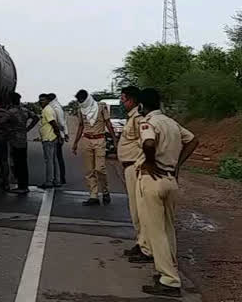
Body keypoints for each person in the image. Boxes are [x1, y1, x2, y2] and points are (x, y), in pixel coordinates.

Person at [134, 88, 199, 298]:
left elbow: (149, 142)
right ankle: (168, 273)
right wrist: (177, 165)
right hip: (170, 179)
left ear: (142, 106)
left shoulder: (148, 123)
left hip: (153, 180)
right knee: (168, 230)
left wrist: (151, 163)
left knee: (156, 232)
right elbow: (193, 140)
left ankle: (170, 281)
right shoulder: (171, 123)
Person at [117, 86, 151, 262]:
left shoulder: (138, 119)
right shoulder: (132, 118)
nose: (122, 102)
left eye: (123, 98)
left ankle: (145, 247)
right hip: (130, 167)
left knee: (139, 210)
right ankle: (142, 243)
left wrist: (140, 162)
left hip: (135, 167)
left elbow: (146, 142)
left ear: (132, 100)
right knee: (135, 210)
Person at [72, 89, 114, 205]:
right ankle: (93, 195)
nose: (80, 102)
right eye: (79, 100)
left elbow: (108, 123)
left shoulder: (101, 107)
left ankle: (105, 191)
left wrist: (114, 139)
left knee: (100, 168)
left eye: (82, 99)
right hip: (87, 140)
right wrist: (75, 143)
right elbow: (81, 126)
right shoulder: (81, 109)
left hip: (99, 139)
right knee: (89, 170)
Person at [8, 92, 39, 193]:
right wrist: (28, 128)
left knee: (17, 163)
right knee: (23, 163)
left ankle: (21, 187)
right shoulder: (25, 110)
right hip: (23, 139)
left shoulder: (11, 112)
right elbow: (36, 118)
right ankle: (24, 185)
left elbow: (2, 121)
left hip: (14, 139)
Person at [38, 94, 62, 189]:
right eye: (40, 100)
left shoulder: (47, 110)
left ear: (48, 101)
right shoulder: (49, 109)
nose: (41, 102)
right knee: (54, 160)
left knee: (49, 161)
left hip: (49, 139)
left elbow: (53, 124)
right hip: (52, 137)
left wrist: (59, 135)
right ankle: (57, 180)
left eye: (43, 100)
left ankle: (49, 181)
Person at [48, 93, 68, 184]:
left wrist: (62, 134)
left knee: (57, 158)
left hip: (57, 135)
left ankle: (60, 178)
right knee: (58, 157)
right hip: (58, 135)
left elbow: (61, 123)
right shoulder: (57, 106)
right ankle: (60, 178)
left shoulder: (55, 108)